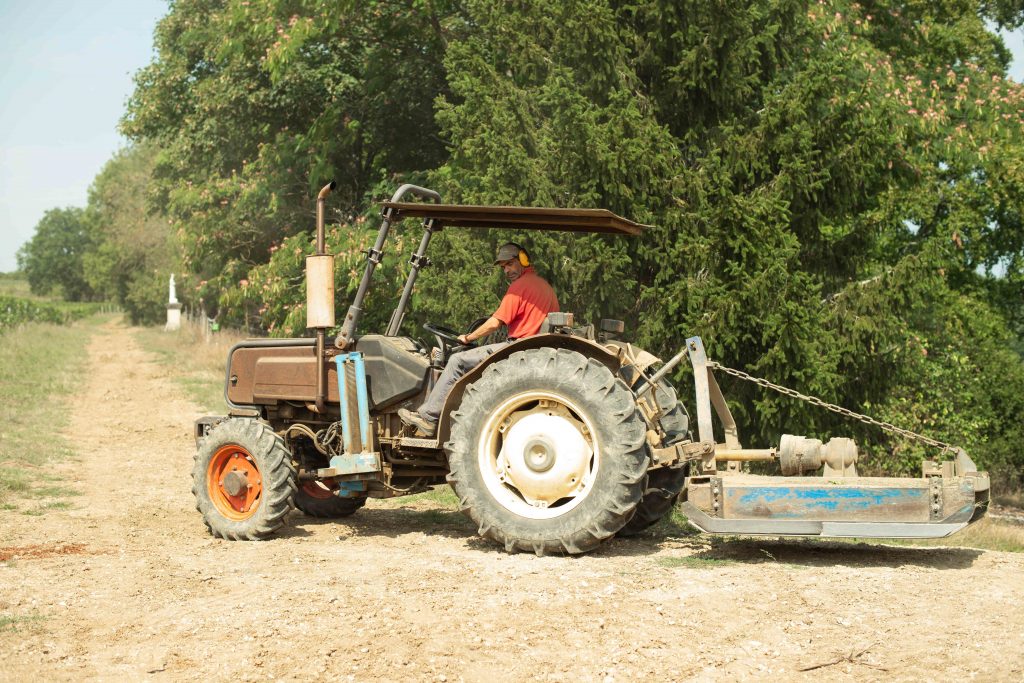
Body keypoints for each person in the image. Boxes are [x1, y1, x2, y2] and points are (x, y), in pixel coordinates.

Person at [398, 242, 559, 437]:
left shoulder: (519, 288)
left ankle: (429, 417)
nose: (507, 270)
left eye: (510, 264)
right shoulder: (545, 286)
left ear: (523, 261)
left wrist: (467, 337)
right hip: (531, 350)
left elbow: (494, 323)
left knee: (457, 360)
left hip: (517, 348)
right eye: (503, 267)